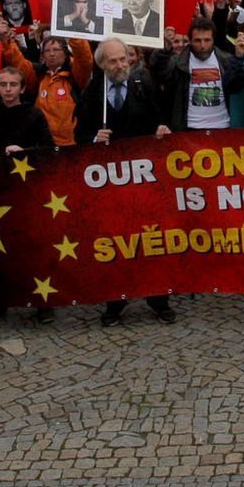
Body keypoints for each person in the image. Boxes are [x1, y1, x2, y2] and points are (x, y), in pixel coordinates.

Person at [76, 38, 176, 326]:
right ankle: (115, 301)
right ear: (101, 65)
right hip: (107, 183)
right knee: (113, 241)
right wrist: (94, 139)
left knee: (149, 238)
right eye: (113, 61)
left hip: (142, 177)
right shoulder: (92, 93)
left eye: (123, 59)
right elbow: (79, 134)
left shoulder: (142, 85)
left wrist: (160, 130)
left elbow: (158, 120)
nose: (121, 65)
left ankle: (159, 298)